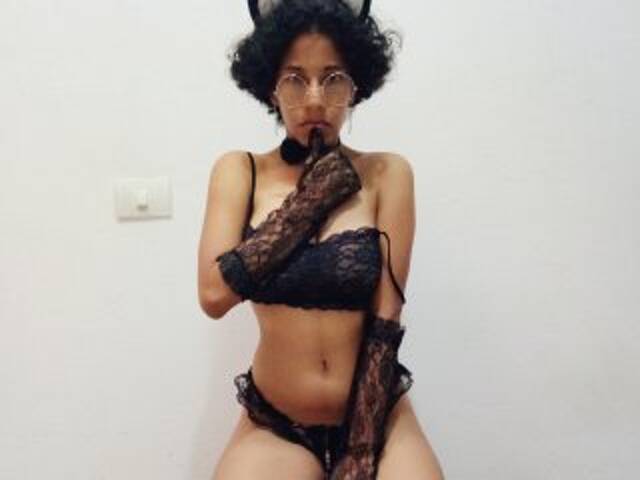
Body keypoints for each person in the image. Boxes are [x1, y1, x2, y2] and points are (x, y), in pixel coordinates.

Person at [198, 1, 444, 478]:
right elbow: (212, 295)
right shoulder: (240, 171)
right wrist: (309, 203)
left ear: (356, 86)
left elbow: (387, 317)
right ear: (270, 87)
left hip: (378, 414)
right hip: (277, 423)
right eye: (295, 79)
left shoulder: (387, 173)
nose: (314, 99)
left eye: (333, 79)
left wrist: (362, 448)